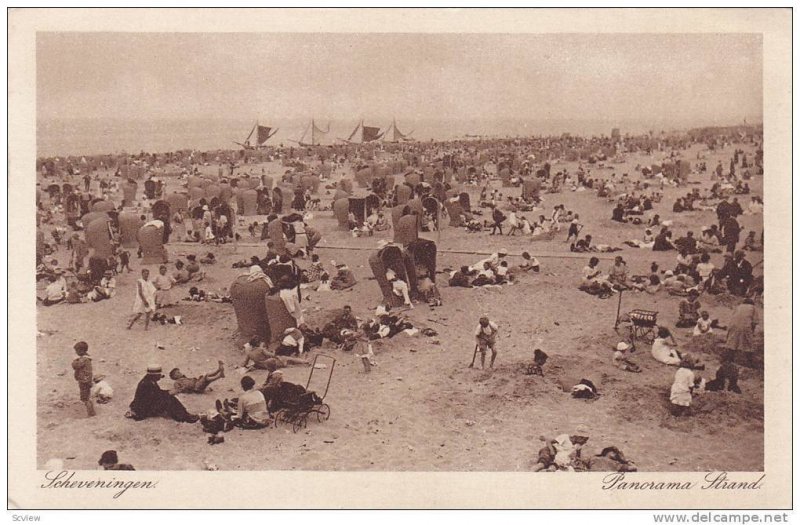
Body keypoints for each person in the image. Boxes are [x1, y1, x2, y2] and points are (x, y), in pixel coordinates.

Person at [126, 364, 199, 423]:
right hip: (142, 409)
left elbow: (156, 393)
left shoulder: (148, 381)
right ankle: (184, 417)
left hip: (144, 405)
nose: (160, 377)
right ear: (153, 375)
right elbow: (157, 397)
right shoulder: (147, 384)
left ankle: (184, 415)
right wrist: (169, 393)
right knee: (169, 400)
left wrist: (168, 392)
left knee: (169, 398)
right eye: (158, 375)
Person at [725, 299, 758, 367]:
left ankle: (729, 360)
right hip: (745, 326)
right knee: (749, 344)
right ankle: (750, 363)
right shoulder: (753, 308)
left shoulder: (738, 306)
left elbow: (733, 317)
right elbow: (754, 323)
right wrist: (752, 332)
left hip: (733, 325)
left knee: (732, 342)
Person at [71, 341, 96, 417]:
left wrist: (74, 361)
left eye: (76, 351)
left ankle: (91, 413)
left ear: (81, 351)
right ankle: (91, 412)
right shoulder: (86, 359)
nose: (76, 353)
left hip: (84, 381)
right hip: (86, 380)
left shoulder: (84, 360)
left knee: (85, 398)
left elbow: (75, 365)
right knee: (86, 396)